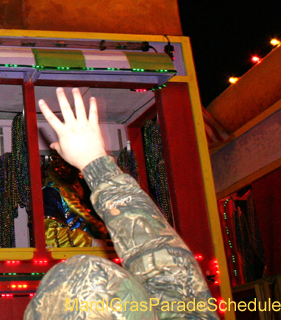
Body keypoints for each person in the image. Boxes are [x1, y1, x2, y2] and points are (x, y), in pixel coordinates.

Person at [25, 89, 217, 320]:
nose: (63, 167)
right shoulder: (52, 192)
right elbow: (49, 231)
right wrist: (94, 162)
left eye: (64, 163)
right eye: (58, 164)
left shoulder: (80, 191)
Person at [43, 152, 109, 248]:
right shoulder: (52, 193)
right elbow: (50, 234)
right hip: (70, 255)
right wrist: (90, 242)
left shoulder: (82, 194)